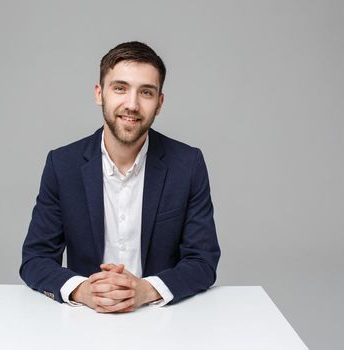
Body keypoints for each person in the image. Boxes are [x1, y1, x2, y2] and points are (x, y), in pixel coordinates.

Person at [19, 41, 221, 313]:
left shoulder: (188, 164)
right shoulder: (62, 164)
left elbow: (203, 261)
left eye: (146, 92)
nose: (132, 104)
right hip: (83, 320)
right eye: (120, 88)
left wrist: (146, 290)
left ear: (159, 103)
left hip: (162, 318)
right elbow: (35, 258)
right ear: (99, 93)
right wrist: (83, 290)